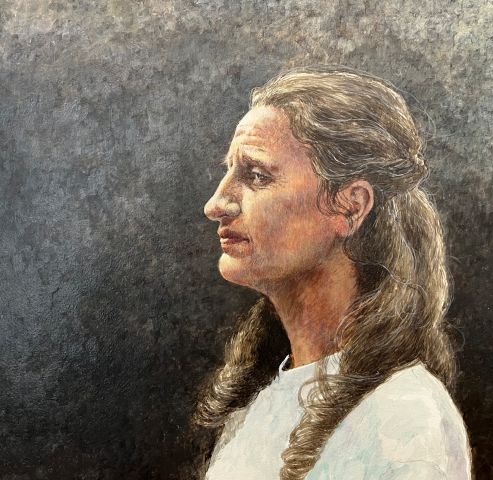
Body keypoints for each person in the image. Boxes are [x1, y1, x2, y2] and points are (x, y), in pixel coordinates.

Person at [196, 65, 471, 479]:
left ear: (350, 206)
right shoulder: (256, 407)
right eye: (229, 170)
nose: (216, 204)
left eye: (256, 175)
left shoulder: (404, 420)